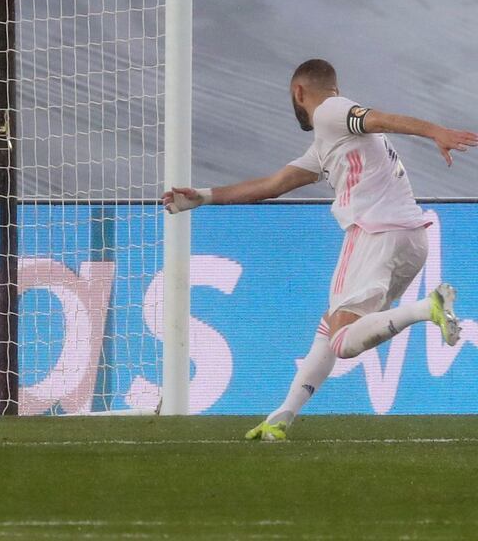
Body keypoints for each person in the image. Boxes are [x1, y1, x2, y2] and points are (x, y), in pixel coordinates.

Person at [162, 58, 478, 440]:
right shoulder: (330, 142)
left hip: (374, 233)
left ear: (298, 92)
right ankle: (282, 417)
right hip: (410, 238)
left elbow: (377, 118)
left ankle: (425, 309)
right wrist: (205, 197)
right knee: (330, 327)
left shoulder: (331, 111)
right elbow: (274, 184)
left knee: (342, 342)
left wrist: (435, 132)